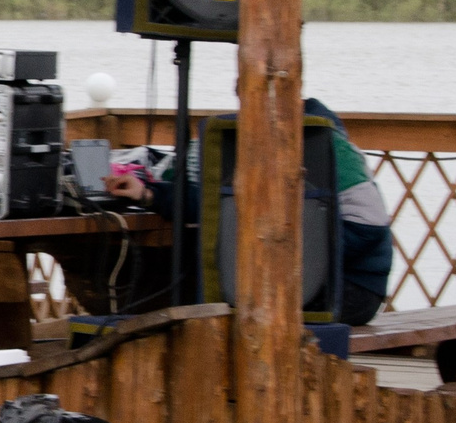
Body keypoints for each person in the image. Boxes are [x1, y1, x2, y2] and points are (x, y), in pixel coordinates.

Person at [105, 95, 393, 324]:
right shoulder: (259, 142)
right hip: (289, 281)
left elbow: (369, 227)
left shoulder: (329, 147)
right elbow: (215, 205)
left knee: (240, 306)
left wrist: (287, 243)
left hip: (352, 288)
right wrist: (146, 193)